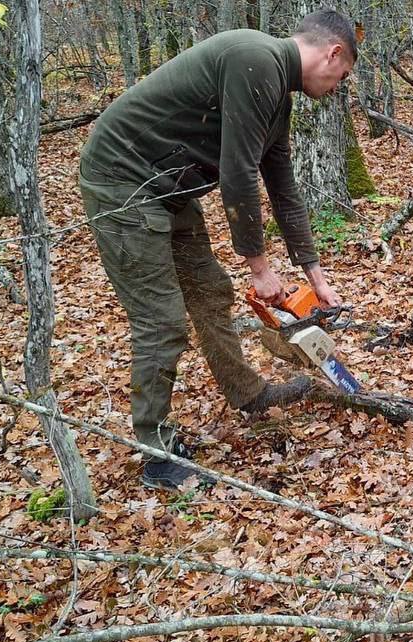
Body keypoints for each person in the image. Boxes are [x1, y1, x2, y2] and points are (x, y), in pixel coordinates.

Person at [78, 10, 357, 490]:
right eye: (343, 74)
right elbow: (238, 173)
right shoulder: (254, 59)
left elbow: (281, 182)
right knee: (161, 321)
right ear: (332, 53)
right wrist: (261, 269)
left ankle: (248, 394)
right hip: (123, 182)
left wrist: (315, 276)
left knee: (210, 290)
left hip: (168, 187)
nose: (338, 86)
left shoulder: (276, 91)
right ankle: (156, 453)